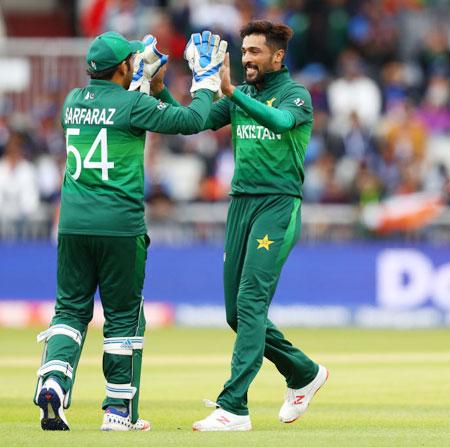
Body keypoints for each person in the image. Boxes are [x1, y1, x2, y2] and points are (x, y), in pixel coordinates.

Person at [34, 30, 224, 431]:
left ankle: (53, 381)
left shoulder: (72, 102)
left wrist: (146, 82)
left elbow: (117, 105)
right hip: (120, 226)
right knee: (123, 317)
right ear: (122, 66)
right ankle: (119, 412)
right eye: (131, 61)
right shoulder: (133, 106)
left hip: (71, 225)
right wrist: (205, 80)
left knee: (69, 311)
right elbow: (192, 121)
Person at [154, 20, 328, 432]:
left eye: (254, 52)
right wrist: (160, 87)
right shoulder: (242, 95)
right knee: (236, 313)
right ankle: (303, 372)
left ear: (278, 56)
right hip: (241, 205)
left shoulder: (296, 95)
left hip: (277, 207)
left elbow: (282, 123)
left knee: (250, 304)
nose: (246, 58)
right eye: (244, 51)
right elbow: (190, 122)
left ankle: (234, 407)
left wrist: (230, 91)